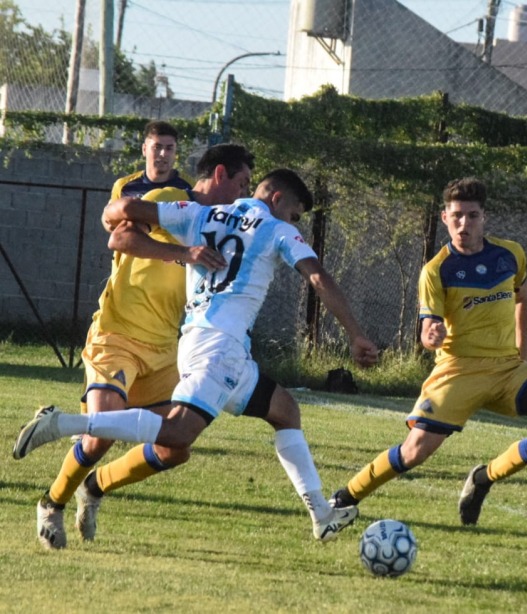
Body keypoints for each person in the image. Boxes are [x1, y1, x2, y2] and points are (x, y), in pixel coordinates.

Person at [17, 168, 379, 546]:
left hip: (207, 345)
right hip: (217, 350)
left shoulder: (198, 213)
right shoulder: (276, 229)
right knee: (177, 434)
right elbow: (317, 276)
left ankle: (321, 514)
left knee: (285, 409)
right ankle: (63, 423)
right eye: (294, 214)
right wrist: (355, 334)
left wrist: (131, 221)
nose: (293, 222)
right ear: (276, 200)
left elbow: (125, 208)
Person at [329, 177, 527, 532]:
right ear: (444, 217)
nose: (463, 224)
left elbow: (522, 299)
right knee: (413, 452)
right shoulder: (436, 270)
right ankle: (343, 500)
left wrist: (522, 352)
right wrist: (431, 335)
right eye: (456, 216)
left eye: (472, 216)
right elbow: (427, 328)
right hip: (458, 372)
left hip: (506, 369)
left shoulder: (510, 254)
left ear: (485, 218)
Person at [33, 144, 254, 550]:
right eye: (241, 184)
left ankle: (96, 487)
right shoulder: (173, 200)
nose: (244, 194)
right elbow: (119, 236)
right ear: (220, 174)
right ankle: (52, 503)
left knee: (176, 447)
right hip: (117, 335)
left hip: (165, 349)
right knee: (102, 431)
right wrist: (183, 252)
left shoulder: (223, 225)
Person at [111, 120, 193, 199]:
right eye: (157, 147)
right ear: (144, 149)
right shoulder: (123, 187)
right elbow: (110, 213)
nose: (163, 154)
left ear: (175, 152)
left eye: (169, 148)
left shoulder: (191, 188)